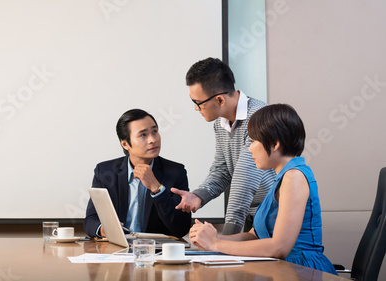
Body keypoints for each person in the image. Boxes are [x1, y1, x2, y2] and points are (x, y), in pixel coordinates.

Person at [189, 104, 338, 275]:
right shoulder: (280, 177)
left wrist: (215, 245)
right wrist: (213, 237)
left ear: (274, 144)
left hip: (302, 270)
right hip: (281, 269)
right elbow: (254, 235)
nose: (250, 148)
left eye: (253, 142)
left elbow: (279, 247)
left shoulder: (294, 177)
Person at [171, 57, 276, 235]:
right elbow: (223, 170)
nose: (196, 109)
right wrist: (198, 195)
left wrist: (224, 240)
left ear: (219, 100)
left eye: (198, 103)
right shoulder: (221, 124)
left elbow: (244, 181)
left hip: (273, 214)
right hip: (252, 216)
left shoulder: (258, 118)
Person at [84, 109, 191, 238]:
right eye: (143, 135)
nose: (152, 139)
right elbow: (91, 220)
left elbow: (181, 228)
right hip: (118, 249)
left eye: (154, 131)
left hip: (156, 251)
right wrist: (104, 229)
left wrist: (156, 189)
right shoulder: (105, 171)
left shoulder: (175, 172)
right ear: (125, 144)